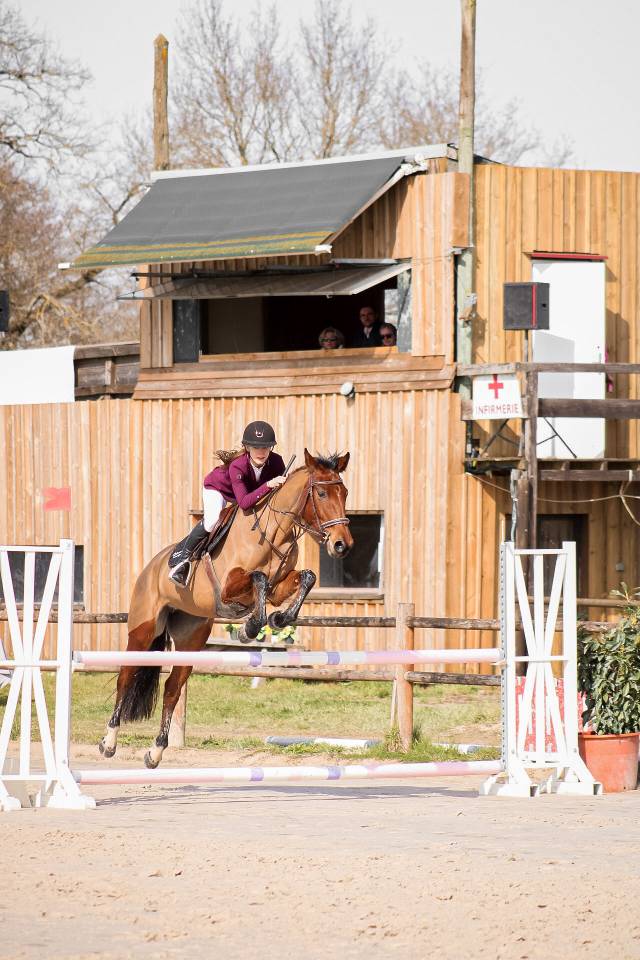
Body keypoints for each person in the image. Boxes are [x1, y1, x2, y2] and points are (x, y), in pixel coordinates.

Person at [168, 420, 286, 585]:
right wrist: (268, 485)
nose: (261, 452)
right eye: (256, 447)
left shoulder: (277, 462)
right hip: (218, 490)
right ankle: (182, 559)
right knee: (213, 520)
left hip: (248, 493)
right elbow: (244, 503)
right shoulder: (238, 466)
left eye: (266, 447)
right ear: (247, 448)